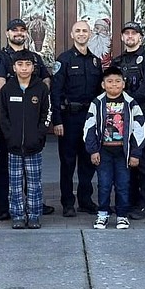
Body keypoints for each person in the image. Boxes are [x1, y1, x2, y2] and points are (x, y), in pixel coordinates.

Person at [0, 18, 53, 220]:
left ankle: (33, 205)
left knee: (32, 168)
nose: (19, 33)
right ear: (7, 33)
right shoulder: (0, 57)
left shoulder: (34, 57)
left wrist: (37, 91)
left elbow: (46, 80)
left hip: (32, 119)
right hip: (11, 121)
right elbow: (0, 85)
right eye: (14, 30)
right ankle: (3, 206)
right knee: (6, 165)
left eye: (22, 30)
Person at [51, 20, 103, 217]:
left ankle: (85, 200)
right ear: (72, 35)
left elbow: (100, 93)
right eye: (78, 31)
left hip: (90, 118)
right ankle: (67, 203)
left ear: (89, 34)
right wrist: (57, 121)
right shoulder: (63, 60)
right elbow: (55, 93)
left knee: (88, 161)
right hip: (69, 118)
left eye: (85, 31)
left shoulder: (95, 61)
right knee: (68, 162)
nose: (81, 34)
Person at [84, 66, 145, 230]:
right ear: (103, 85)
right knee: (104, 184)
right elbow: (89, 127)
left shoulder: (131, 104)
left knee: (123, 184)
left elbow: (139, 129)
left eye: (118, 81)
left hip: (123, 152)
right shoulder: (97, 103)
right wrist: (93, 150)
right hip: (103, 151)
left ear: (123, 84)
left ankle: (122, 215)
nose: (114, 85)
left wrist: (135, 153)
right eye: (109, 82)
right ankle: (103, 214)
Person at [111, 21, 145, 220]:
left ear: (140, 37)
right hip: (120, 115)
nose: (130, 36)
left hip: (140, 113)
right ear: (122, 37)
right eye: (126, 33)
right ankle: (128, 201)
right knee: (124, 158)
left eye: (134, 33)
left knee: (143, 158)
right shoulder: (117, 61)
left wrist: (127, 100)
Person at [0, 51, 51, 230]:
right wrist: (9, 135)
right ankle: (18, 215)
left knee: (34, 183)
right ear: (14, 67)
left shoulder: (41, 88)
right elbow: (2, 115)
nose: (24, 68)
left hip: (33, 146)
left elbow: (47, 113)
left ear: (33, 67)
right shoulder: (8, 89)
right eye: (20, 64)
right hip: (13, 146)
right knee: (15, 184)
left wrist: (39, 135)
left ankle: (34, 215)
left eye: (27, 64)